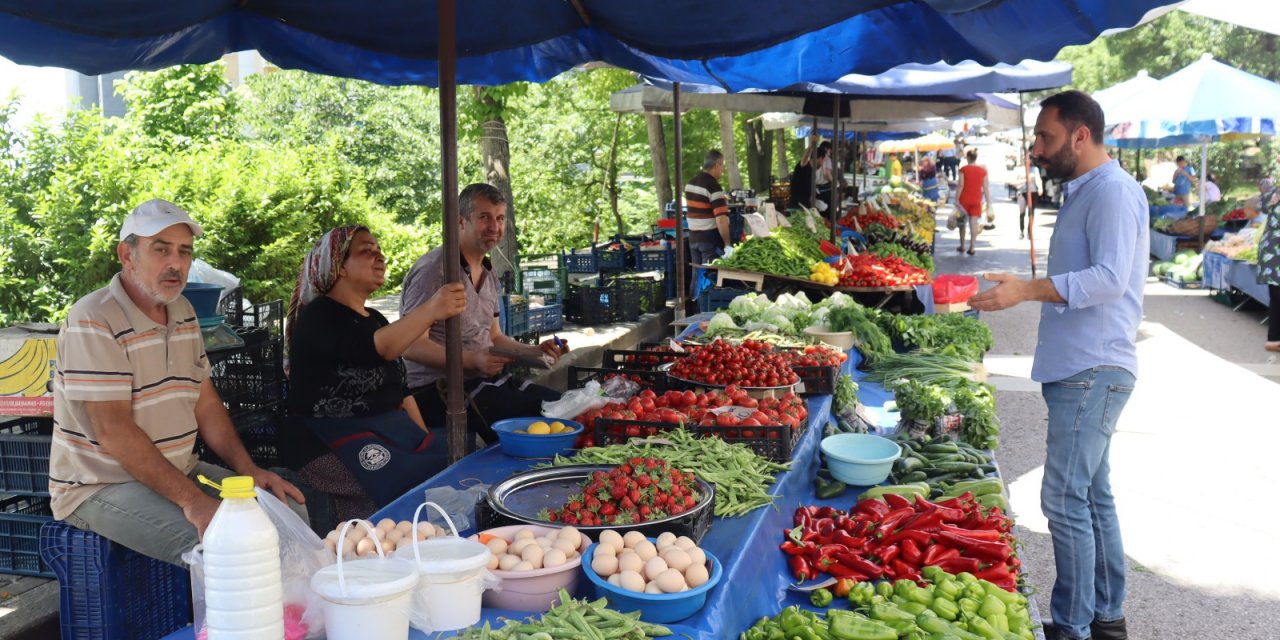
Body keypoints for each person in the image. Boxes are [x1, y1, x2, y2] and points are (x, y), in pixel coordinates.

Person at [969, 90, 1147, 640]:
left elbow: (1109, 279)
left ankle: (1073, 627)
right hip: (1083, 365)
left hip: (1093, 366)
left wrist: (1026, 290)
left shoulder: (1112, 192)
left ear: (1081, 135)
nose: (1036, 147)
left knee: (1063, 498)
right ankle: (1106, 617)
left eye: (1045, 137)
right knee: (1092, 495)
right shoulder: (1086, 189)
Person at [49, 199, 307, 566]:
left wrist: (249, 470)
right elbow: (112, 429)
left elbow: (206, 403)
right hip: (100, 486)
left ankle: (299, 621)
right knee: (230, 546)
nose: (176, 263)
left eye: (184, 251)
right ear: (127, 254)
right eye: (161, 249)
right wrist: (194, 502)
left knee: (288, 511)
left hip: (179, 468)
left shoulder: (183, 311)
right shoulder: (93, 318)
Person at [285, 225, 467, 509]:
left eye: (379, 251)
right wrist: (432, 309)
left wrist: (423, 440)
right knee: (408, 491)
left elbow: (403, 391)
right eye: (366, 251)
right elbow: (379, 347)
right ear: (339, 267)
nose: (379, 257)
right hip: (332, 440)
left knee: (448, 462)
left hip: (391, 429)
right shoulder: (320, 315)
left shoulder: (377, 319)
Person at [402, 183, 569, 451]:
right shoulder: (435, 270)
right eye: (484, 217)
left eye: (500, 218)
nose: (495, 226)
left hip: (482, 382)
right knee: (535, 424)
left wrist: (535, 352)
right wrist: (470, 360)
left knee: (562, 407)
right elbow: (409, 345)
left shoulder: (489, 273)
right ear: (461, 221)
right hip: (435, 389)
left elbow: (494, 336)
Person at [685, 150, 734, 265]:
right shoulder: (713, 186)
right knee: (710, 276)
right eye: (722, 166)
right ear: (717, 165)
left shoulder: (690, 183)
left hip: (693, 237)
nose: (723, 170)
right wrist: (727, 244)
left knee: (697, 276)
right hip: (709, 239)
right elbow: (721, 219)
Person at [1254, 177, 1280, 352]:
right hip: (1276, 252)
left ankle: (1273, 339)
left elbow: (1261, 204)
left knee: (1277, 297)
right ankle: (1274, 339)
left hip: (1269, 251)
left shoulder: (1273, 193)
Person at [955, 148, 993, 255]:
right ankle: (972, 247)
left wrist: (956, 199)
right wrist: (989, 202)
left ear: (967, 158)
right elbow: (985, 188)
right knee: (974, 224)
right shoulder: (983, 171)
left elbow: (960, 185)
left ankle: (962, 245)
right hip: (976, 200)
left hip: (964, 200)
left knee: (962, 224)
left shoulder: (963, 169)